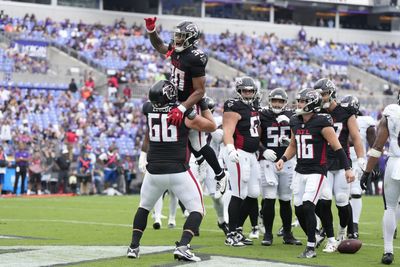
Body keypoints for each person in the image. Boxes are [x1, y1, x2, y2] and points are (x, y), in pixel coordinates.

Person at [127, 80, 216, 262]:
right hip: (177, 170)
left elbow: (151, 106)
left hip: (153, 171)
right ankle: (183, 246)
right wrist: (203, 105)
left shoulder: (148, 109)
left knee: (144, 207)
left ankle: (134, 247)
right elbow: (211, 126)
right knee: (197, 209)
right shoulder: (183, 114)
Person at [143, 17, 227, 197]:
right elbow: (159, 47)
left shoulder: (195, 58)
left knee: (198, 143)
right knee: (175, 136)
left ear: (191, 38)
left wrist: (182, 108)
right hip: (173, 99)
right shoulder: (176, 49)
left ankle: (220, 175)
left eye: (181, 36)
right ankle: (193, 165)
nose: (177, 39)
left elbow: (199, 90)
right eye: (177, 35)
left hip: (188, 102)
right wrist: (151, 31)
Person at [276, 88, 355, 258]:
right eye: (299, 100)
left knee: (308, 205)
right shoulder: (295, 121)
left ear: (312, 103)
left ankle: (311, 247)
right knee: (298, 209)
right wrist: (283, 158)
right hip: (300, 170)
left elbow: (337, 146)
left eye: (303, 101)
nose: (299, 104)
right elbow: (293, 145)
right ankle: (317, 236)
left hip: (317, 171)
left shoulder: (322, 121)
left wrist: (348, 168)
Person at [314, 78, 365, 252]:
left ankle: (343, 230)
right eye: (319, 95)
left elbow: (356, 137)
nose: (322, 97)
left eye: (324, 94)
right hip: (322, 162)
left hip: (342, 161)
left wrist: (361, 158)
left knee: (342, 200)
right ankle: (329, 235)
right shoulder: (316, 111)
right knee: (323, 200)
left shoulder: (346, 112)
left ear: (332, 93)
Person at [360, 91, 400, 265]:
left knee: (390, 207)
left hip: (395, 163)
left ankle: (388, 251)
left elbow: (377, 145)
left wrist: (367, 171)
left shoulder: (392, 111)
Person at [259, 88, 301, 246]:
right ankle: (268, 234)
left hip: (287, 161)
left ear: (285, 102)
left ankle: (287, 234)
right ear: (269, 101)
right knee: (269, 198)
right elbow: (255, 136)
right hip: (268, 161)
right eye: (274, 101)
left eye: (280, 101)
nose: (277, 104)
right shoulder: (262, 115)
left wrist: (290, 131)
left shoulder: (294, 116)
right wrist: (264, 150)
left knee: (285, 199)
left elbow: (299, 136)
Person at [223, 76, 260, 247]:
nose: (248, 93)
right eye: (245, 90)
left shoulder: (254, 106)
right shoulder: (234, 105)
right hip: (239, 153)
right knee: (238, 193)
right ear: (239, 91)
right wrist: (230, 148)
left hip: (252, 155)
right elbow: (228, 130)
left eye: (250, 90)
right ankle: (230, 234)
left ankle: (237, 230)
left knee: (252, 193)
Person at [341, 95, 376, 238]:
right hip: (340, 160)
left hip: (357, 161)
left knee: (355, 192)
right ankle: (329, 227)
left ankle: (354, 226)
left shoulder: (365, 121)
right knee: (340, 195)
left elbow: (373, 143)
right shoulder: (337, 119)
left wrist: (372, 162)